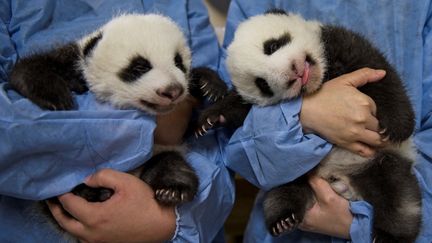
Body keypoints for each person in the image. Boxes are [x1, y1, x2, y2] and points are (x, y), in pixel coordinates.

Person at [0, 0, 234, 242]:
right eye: (140, 68)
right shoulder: (68, 58)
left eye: (177, 64)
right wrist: (155, 125)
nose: (173, 87)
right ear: (91, 53)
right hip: (47, 216)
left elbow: (216, 148)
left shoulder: (184, 7)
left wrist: (165, 222)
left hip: (159, 185)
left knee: (174, 169)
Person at [219, 0, 432, 242]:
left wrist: (357, 226)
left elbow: (384, 86)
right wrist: (303, 112)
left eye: (275, 47)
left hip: (375, 167)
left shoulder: (336, 42)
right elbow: (238, 146)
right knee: (283, 198)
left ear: (283, 18)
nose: (284, 75)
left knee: (395, 192)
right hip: (304, 196)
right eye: (263, 84)